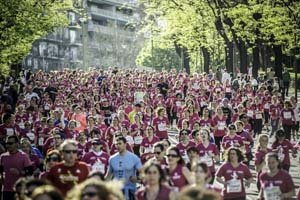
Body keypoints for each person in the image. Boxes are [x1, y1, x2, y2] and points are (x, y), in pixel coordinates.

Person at [0, 135, 33, 200]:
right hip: (6, 190)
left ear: (17, 144)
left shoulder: (24, 156)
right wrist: (1, 177)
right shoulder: (2, 156)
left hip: (19, 190)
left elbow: (30, 172)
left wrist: (19, 172)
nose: (8, 145)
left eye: (10, 143)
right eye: (7, 143)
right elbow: (1, 170)